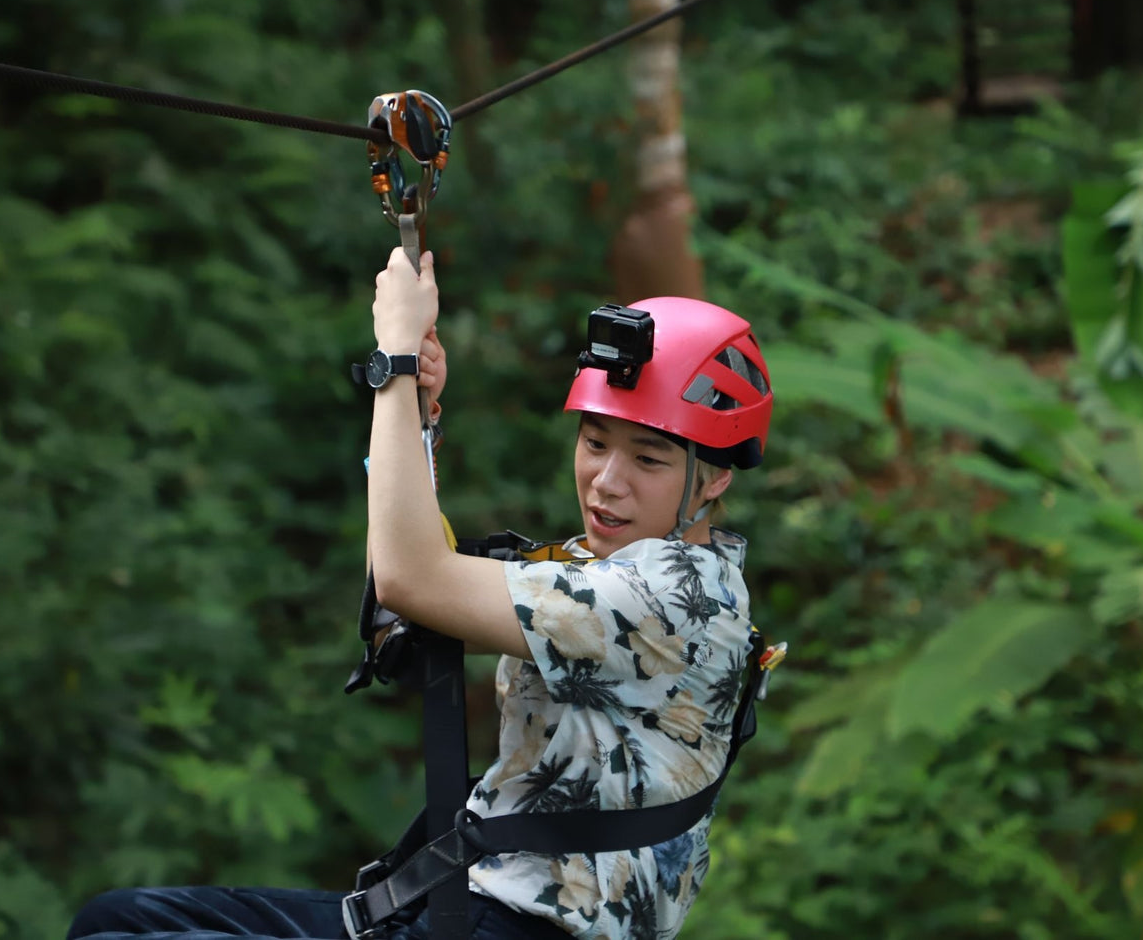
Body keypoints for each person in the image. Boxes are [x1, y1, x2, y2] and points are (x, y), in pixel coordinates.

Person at [67, 246, 773, 940]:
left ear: (714, 478)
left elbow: (412, 576)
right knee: (116, 918)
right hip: (466, 900)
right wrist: (413, 413)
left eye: (647, 459)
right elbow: (410, 595)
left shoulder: (665, 598)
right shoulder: (617, 566)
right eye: (593, 441)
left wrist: (395, 358)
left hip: (524, 925)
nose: (606, 479)